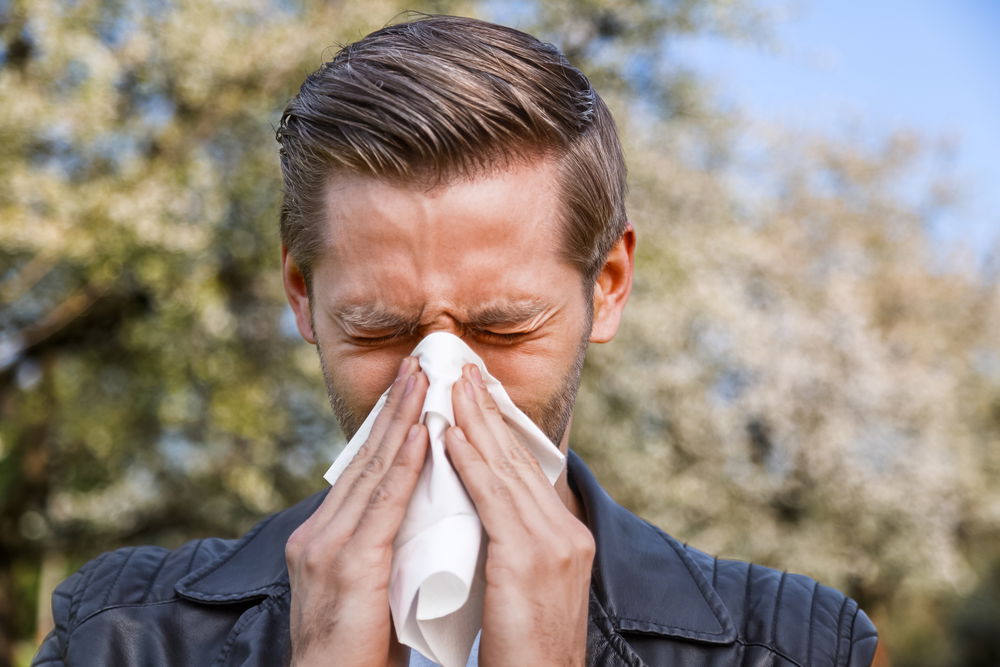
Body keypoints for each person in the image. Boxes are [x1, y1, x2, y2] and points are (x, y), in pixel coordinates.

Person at [34, 14, 877, 667]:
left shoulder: (797, 646)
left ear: (607, 285)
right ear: (303, 295)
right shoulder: (117, 634)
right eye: (380, 329)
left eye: (502, 326)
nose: (438, 385)